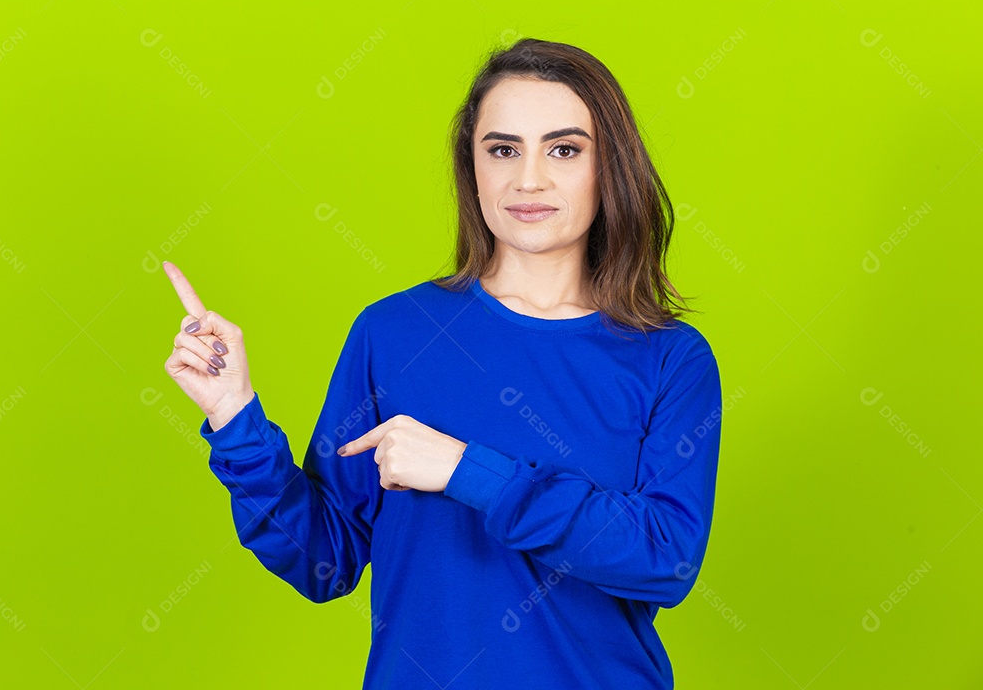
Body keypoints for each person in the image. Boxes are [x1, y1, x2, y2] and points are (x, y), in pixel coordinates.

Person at [163, 37, 722, 690]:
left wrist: (467, 470)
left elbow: (665, 559)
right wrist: (235, 418)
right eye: (502, 149)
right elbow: (322, 560)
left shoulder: (669, 358)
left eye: (564, 149)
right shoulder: (395, 333)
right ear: (473, 166)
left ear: (609, 167)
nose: (529, 179)